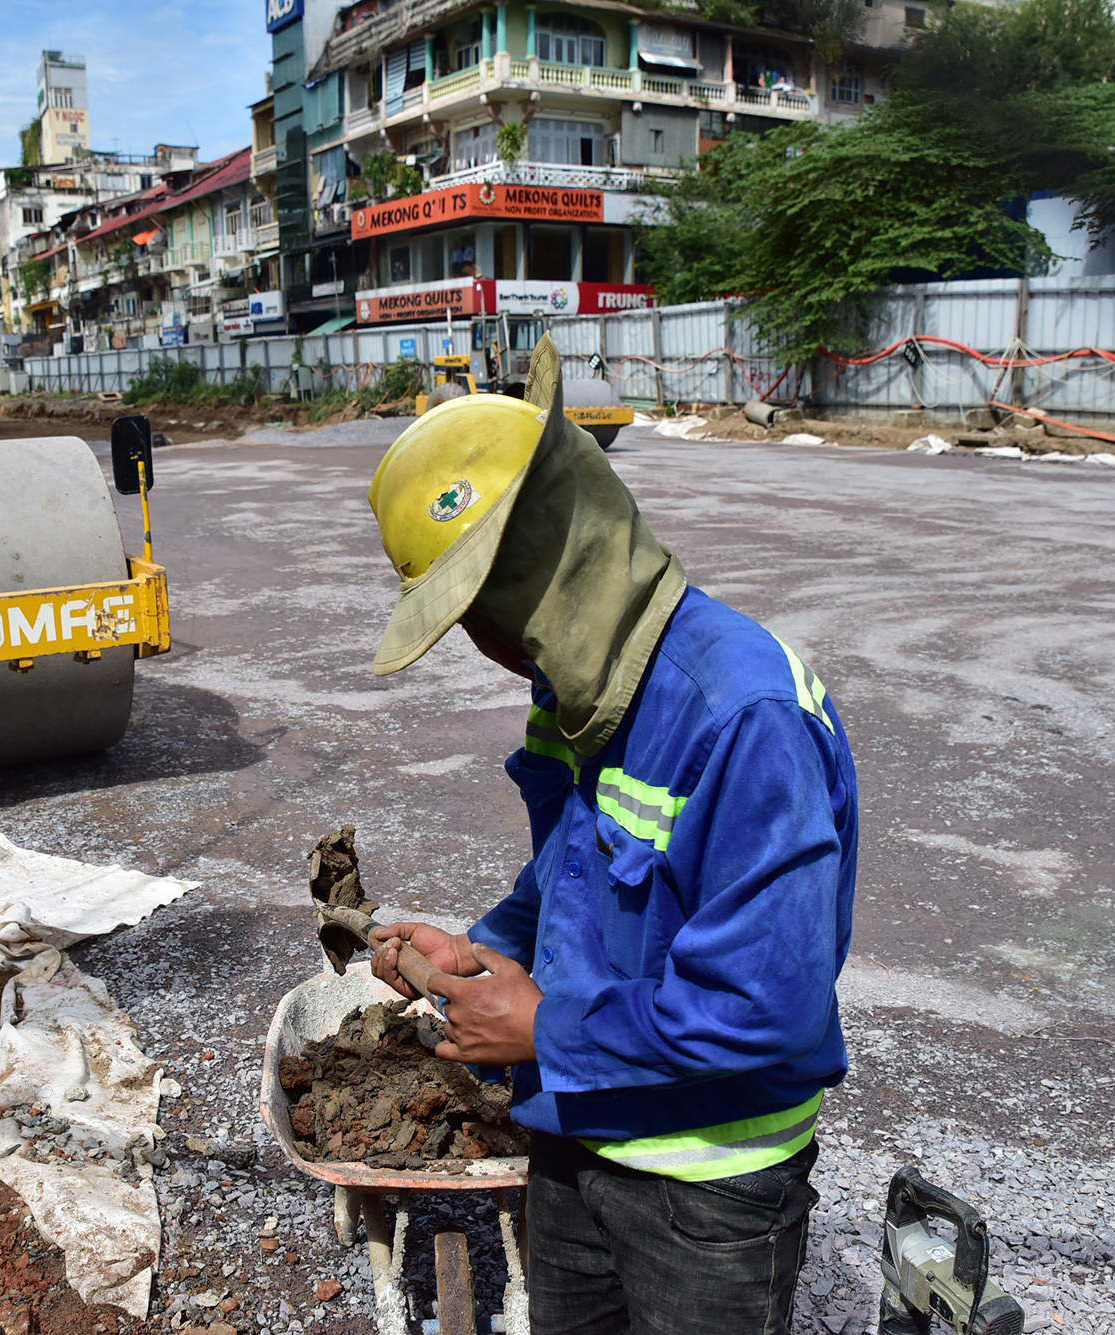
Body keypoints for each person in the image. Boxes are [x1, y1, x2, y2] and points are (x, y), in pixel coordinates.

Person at [365, 340, 857, 1335]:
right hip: (576, 1129)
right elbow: (569, 873)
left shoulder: (740, 715)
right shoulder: (579, 690)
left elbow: (769, 1006)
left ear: (533, 579)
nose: (483, 647)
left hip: (704, 1183)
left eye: (472, 614)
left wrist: (541, 1029)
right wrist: (487, 947)